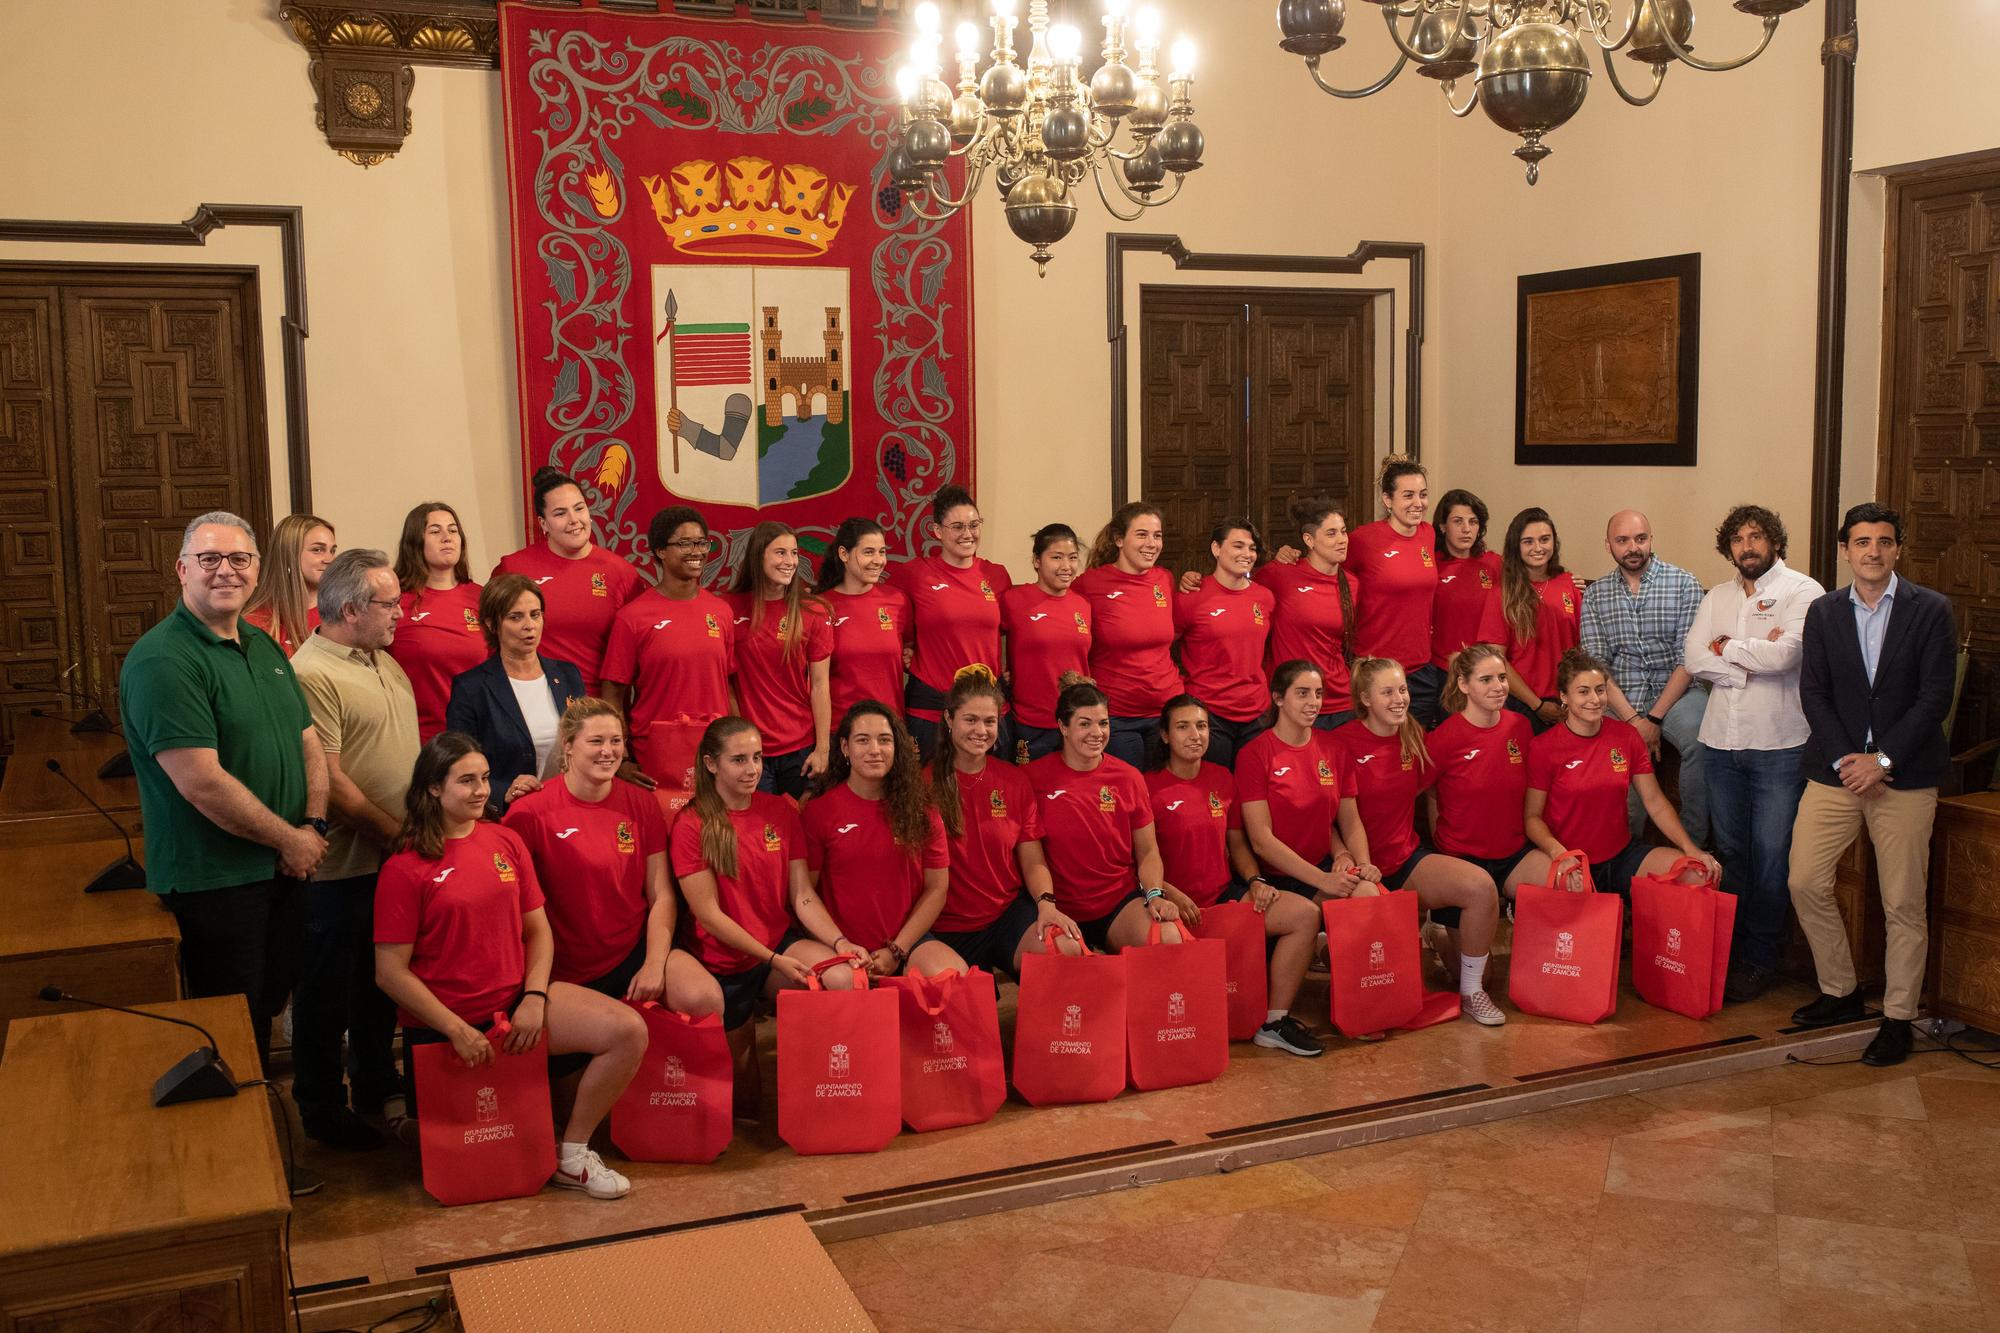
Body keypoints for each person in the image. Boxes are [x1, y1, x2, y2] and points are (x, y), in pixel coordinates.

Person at [120, 512, 329, 1194]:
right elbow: (200, 782)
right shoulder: (162, 658)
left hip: (280, 866)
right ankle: (234, 1180)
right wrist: (291, 838)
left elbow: (307, 743)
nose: (225, 570)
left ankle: (260, 1158)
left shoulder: (262, 646)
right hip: (216, 880)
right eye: (209, 559)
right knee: (227, 1031)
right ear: (182, 569)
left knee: (265, 1014)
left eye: (239, 559)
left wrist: (316, 825)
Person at [373, 733, 646, 1200]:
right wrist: (456, 1029)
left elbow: (539, 932)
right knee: (458, 1172)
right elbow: (390, 972)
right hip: (448, 1027)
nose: (481, 790)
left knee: (628, 1032)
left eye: (483, 778)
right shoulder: (406, 866)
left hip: (515, 1007)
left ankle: (573, 1155)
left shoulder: (504, 840)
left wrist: (535, 998)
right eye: (466, 781)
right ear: (434, 789)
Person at [1787, 503, 1956, 1067]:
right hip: (1835, 773)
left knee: (1903, 901)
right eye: (1862, 542)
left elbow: (1934, 698)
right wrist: (1848, 760)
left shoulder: (1931, 610)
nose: (1873, 552)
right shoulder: (1824, 612)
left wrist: (1880, 760)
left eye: (1884, 542)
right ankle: (1841, 990)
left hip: (1904, 777)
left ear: (1898, 549)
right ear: (1845, 551)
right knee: (1805, 880)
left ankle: (1899, 1017)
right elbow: (1813, 693)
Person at [289, 549, 419, 1150]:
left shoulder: (381, 659)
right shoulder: (312, 672)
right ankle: (321, 1105)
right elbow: (334, 785)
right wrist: (396, 836)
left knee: (378, 985)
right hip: (343, 868)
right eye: (389, 603)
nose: (402, 613)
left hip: (392, 862)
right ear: (348, 608)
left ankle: (373, 1081)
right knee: (328, 993)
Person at [671, 717, 867, 1117]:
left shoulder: (779, 809)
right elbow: (708, 915)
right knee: (747, 1106)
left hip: (776, 947)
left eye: (757, 758)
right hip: (724, 960)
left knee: (842, 977)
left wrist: (839, 942)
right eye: (739, 760)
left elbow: (802, 895)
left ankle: (825, 1094)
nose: (753, 769)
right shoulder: (692, 823)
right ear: (711, 764)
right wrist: (772, 958)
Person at [1684, 505, 1824, 1003]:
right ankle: (1730, 951)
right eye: (1739, 539)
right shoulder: (1718, 595)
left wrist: (1727, 647)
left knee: (1770, 858)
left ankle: (1761, 958)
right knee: (1734, 853)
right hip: (1720, 741)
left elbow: (1789, 654)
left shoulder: (1802, 591)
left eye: (1757, 537)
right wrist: (1745, 657)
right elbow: (1693, 656)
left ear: (1775, 542)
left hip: (1779, 747)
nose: (1748, 546)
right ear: (1729, 548)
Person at [503, 698, 721, 1015]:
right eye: (596, 741)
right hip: (563, 969)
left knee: (705, 997)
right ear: (568, 746)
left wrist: (654, 963)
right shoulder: (530, 811)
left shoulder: (641, 804)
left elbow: (661, 894)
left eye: (616, 741)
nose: (608, 751)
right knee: (620, 1032)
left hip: (631, 952)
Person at [1144, 695, 1323, 1056]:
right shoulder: (1147, 786)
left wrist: (1256, 880)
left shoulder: (1222, 778)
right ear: (1164, 736)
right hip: (1174, 908)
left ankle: (1274, 1023)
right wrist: (1170, 895)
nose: (1195, 735)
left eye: (1201, 726)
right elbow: (1139, 859)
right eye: (1182, 727)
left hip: (1223, 898)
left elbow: (1238, 844)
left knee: (1304, 914)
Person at [1329, 658, 1505, 1025]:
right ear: (1365, 698)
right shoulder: (1339, 743)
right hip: (1357, 871)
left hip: (1404, 861)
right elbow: (1325, 816)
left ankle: (1472, 992)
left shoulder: (1414, 736)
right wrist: (1344, 854)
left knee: (1481, 888)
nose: (1399, 699)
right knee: (1386, 985)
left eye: (1404, 690)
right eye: (1388, 692)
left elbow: (1437, 785)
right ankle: (1330, 949)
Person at [1524, 649, 1719, 900]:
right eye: (1583, 692)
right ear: (1564, 696)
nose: (1595, 699)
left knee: (1698, 874)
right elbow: (1532, 818)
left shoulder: (1626, 736)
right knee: (1576, 905)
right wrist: (1558, 854)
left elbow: (1656, 803)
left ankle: (1647, 934)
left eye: (1600, 689)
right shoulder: (1544, 747)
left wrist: (1690, 848)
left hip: (1621, 856)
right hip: (1570, 861)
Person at [926, 670, 1084, 973]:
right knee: (947, 986)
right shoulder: (924, 784)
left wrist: (1046, 903)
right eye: (970, 720)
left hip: (1005, 916)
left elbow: (1032, 858)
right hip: (945, 925)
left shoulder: (1013, 780)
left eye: (989, 721)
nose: (981, 730)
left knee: (1065, 947)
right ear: (949, 719)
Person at [801, 703, 966, 977]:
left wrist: (897, 950)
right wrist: (840, 944)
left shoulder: (922, 809)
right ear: (844, 747)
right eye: (863, 740)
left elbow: (937, 889)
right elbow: (806, 893)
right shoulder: (820, 812)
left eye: (884, 740)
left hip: (906, 942)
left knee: (952, 975)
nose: (875, 750)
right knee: (845, 983)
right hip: (840, 946)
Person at [1024, 679, 1185, 951]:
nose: (1096, 732)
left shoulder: (1128, 777)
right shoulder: (1032, 778)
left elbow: (1147, 851)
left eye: (1103, 723)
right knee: (1064, 953)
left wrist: (1155, 893)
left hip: (1117, 904)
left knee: (1168, 936)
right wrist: (1046, 904)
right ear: (1063, 727)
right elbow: (1030, 857)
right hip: (1060, 906)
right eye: (1085, 723)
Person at [1579, 509, 1710, 846]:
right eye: (1623, 540)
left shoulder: (1684, 584)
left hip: (1678, 692)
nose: (1633, 547)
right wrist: (1634, 720)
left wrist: (1653, 717)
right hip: (1620, 696)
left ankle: (1693, 842)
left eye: (1640, 538)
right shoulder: (1595, 595)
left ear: (1651, 539)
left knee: (1701, 736)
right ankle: (1626, 849)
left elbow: (1688, 661)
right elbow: (1597, 668)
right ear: (1608, 546)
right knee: (1619, 752)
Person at [601, 506, 735, 788]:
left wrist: (738, 739)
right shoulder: (632, 617)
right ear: (660, 551)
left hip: (715, 749)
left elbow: (728, 684)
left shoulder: (721, 611)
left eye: (701, 542)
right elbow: (613, 691)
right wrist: (620, 755)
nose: (696, 551)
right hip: (656, 753)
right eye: (684, 543)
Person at [490, 466, 645, 694]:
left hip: (596, 709)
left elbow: (637, 653)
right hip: (529, 702)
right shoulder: (514, 568)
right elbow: (491, 638)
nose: (574, 520)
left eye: (579, 509)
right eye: (560, 513)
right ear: (543, 524)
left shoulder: (621, 573)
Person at [444, 575, 585, 815]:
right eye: (515, 617)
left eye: (535, 614)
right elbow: (458, 764)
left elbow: (585, 742)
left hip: (570, 809)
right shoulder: (472, 688)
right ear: (491, 623)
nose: (529, 625)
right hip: (509, 815)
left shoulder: (568, 675)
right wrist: (504, 790)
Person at [1235, 660, 1368, 901]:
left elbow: (1349, 821)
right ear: (1278, 698)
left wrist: (1351, 859)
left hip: (1324, 866)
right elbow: (1260, 841)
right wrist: (1322, 879)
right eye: (1302, 693)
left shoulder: (1334, 749)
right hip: (1279, 878)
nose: (1313, 702)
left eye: (1318, 694)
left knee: (1367, 892)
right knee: (1305, 916)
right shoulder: (1254, 754)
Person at [897, 486, 1013, 756]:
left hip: (987, 708)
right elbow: (887, 620)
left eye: (974, 525)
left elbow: (1015, 631)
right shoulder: (915, 574)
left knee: (990, 790)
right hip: (931, 708)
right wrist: (905, 652)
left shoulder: (996, 575)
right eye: (957, 526)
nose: (968, 534)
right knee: (929, 793)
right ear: (937, 530)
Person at [725, 520, 833, 798]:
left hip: (801, 748)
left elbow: (820, 685)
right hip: (752, 751)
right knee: (759, 834)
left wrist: (822, 750)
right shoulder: (727, 609)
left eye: (794, 553)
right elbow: (727, 683)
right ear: (758, 556)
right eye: (780, 553)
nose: (790, 561)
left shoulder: (813, 611)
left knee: (800, 829)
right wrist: (740, 739)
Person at [1427, 643, 1542, 897]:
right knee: (1477, 908)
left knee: (1568, 881)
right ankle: (1440, 928)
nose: (1498, 686)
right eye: (1486, 679)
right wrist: (1441, 841)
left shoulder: (1521, 727)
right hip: (1462, 856)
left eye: (1502, 678)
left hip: (1513, 854)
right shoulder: (1443, 738)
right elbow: (1429, 791)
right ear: (1464, 685)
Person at [1074, 503, 1178, 766]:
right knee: (1127, 795)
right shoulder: (1090, 584)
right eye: (1141, 534)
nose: (1151, 543)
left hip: (1166, 712)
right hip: (1118, 716)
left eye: (1157, 535)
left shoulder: (1165, 579)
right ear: (1119, 539)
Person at [1345, 458, 1443, 725]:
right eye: (1408, 495)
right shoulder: (1363, 539)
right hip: (1375, 669)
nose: (1418, 503)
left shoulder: (1428, 534)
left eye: (1423, 495)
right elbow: (1326, 571)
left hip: (1420, 670)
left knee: (1412, 756)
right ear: (1387, 499)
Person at [1174, 518, 1276, 767]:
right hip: (1210, 714)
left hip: (1257, 714)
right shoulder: (1191, 597)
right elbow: (1164, 646)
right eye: (1238, 546)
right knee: (1214, 794)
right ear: (1216, 549)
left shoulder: (1264, 598)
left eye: (1252, 548)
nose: (1247, 554)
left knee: (1252, 792)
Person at [388, 502, 485, 742]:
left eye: (453, 530)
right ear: (415, 542)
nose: (447, 537)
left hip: (477, 738)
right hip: (418, 739)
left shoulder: (482, 597)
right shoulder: (394, 600)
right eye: (435, 531)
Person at [1254, 500, 1355, 728]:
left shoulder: (1352, 584)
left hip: (1340, 702)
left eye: (1343, 531)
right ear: (1309, 540)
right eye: (1331, 533)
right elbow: (1239, 587)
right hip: (1293, 702)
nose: (1341, 540)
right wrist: (1192, 580)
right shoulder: (1281, 574)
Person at [1001, 523, 1091, 762]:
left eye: (1072, 558)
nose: (1066, 566)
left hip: (1077, 722)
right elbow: (982, 635)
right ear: (1037, 561)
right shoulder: (1014, 599)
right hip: (1031, 724)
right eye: (1056, 557)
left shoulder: (1083, 605)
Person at [815, 516, 912, 723]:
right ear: (844, 554)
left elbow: (912, 650)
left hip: (890, 727)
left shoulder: (897, 600)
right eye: (868, 552)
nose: (878, 560)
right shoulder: (820, 607)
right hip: (842, 729)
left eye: (882, 552)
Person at [1500, 507, 1584, 733]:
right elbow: (1496, 658)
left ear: (1554, 543)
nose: (1538, 548)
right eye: (1528, 541)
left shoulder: (1570, 584)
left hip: (1567, 704)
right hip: (1521, 704)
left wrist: (1572, 699)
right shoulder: (1503, 592)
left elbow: (1581, 649)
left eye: (1544, 539)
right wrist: (1536, 705)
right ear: (1516, 546)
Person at [1431, 489, 1506, 679]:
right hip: (1443, 669)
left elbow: (1531, 584)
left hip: (1487, 669)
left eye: (1473, 522)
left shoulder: (1495, 563)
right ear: (1442, 526)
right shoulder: (1431, 565)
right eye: (1458, 521)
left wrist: (1568, 581)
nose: (1466, 529)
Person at [243, 512, 336, 657]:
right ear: (289, 555)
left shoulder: (344, 615)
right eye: (317, 550)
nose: (329, 559)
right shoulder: (256, 623)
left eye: (332, 551)